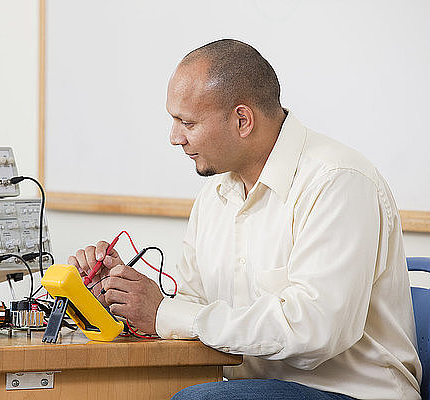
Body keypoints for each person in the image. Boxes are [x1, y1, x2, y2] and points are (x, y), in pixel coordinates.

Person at [68, 39, 422, 399]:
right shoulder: (215, 195)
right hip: (254, 390)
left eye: (187, 122)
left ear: (242, 120)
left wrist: (165, 313)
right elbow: (193, 311)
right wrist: (121, 297)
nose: (174, 138)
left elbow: (315, 331)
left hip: (351, 391)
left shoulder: (338, 182)